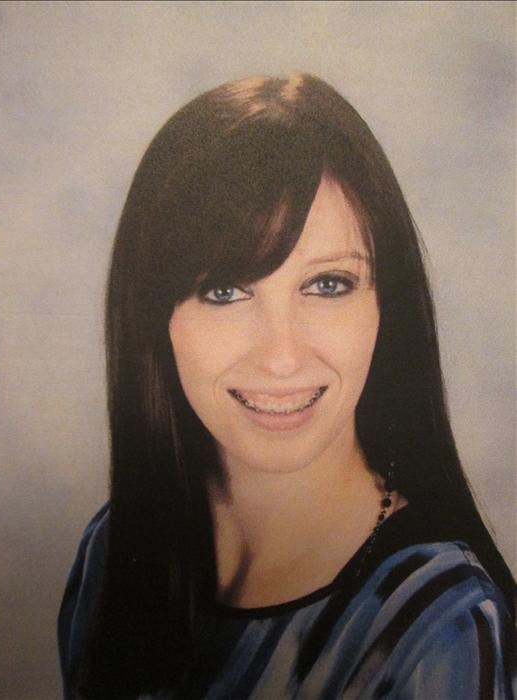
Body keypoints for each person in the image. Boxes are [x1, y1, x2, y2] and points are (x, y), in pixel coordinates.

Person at [58, 73, 516, 699]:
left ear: (387, 305)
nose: (281, 358)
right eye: (225, 290)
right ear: (154, 319)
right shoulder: (113, 549)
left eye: (328, 284)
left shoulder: (442, 625)